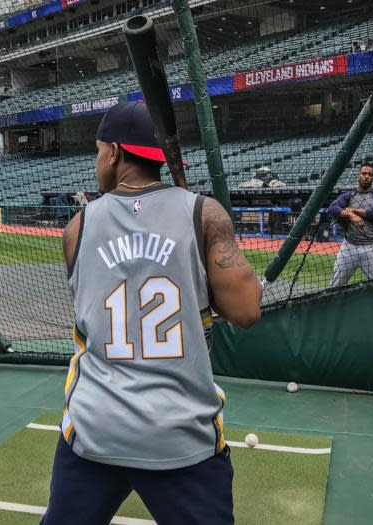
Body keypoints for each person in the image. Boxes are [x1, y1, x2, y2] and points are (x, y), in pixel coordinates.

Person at [40, 101, 262, 525]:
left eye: (98, 150)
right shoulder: (204, 213)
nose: (97, 160)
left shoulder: (77, 227)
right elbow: (247, 311)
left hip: (96, 427)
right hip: (179, 434)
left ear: (115, 154)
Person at [328, 162, 373, 287]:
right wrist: (351, 215)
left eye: (370, 174)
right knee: (335, 285)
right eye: (364, 173)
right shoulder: (349, 195)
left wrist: (354, 210)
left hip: (372, 246)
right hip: (349, 246)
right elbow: (333, 208)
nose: (366, 176)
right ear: (358, 175)